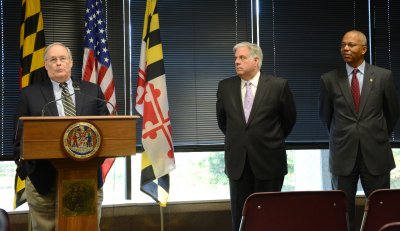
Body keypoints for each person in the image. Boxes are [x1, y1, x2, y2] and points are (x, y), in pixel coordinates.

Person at [13, 42, 110, 231]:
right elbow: (18, 138)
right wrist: (27, 169)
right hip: (43, 181)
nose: (58, 63)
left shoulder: (92, 92)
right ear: (46, 65)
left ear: (71, 62)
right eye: (53, 60)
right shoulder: (29, 95)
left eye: (62, 58)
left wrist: (95, 162)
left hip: (87, 178)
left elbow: (107, 133)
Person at [319, 30, 400, 231]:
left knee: (381, 209)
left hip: (376, 154)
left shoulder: (383, 76)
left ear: (364, 49)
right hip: (342, 155)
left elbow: (392, 114)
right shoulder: (329, 80)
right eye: (343, 44)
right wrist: (346, 135)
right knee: (341, 211)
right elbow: (325, 116)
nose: (345, 48)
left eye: (351, 45)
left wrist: (375, 134)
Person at [216, 42, 296, 231]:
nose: (237, 62)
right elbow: (223, 122)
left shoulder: (278, 85)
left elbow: (288, 121)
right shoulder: (225, 87)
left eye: (242, 58)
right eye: (235, 58)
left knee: (269, 218)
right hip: (238, 164)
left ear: (256, 60)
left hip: (269, 162)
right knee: (240, 218)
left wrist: (266, 140)